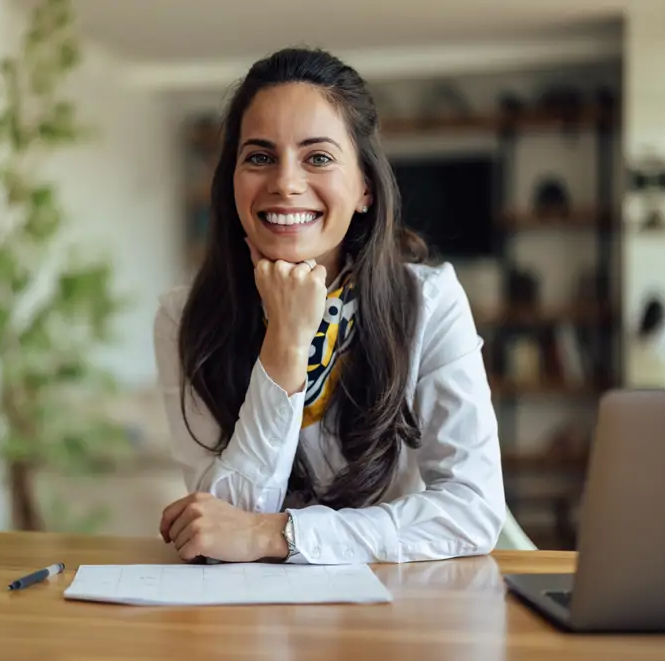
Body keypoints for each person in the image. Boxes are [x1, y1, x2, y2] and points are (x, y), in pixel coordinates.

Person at [153, 47, 505, 565]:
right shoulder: (185, 317)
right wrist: (286, 341)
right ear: (232, 183)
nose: (285, 183)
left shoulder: (429, 303)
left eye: (317, 157)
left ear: (365, 187)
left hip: (397, 598)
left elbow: (472, 511)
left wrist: (278, 535)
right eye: (259, 157)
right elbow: (223, 530)